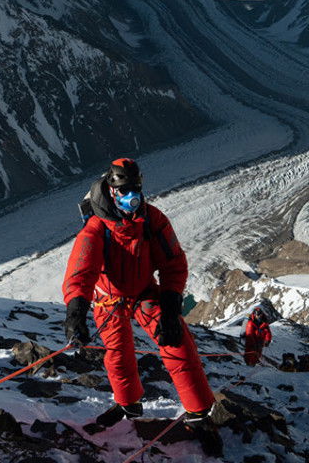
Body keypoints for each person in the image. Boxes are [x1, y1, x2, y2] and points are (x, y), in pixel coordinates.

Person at [63, 158, 215, 425]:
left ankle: (199, 412)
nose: (130, 196)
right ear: (112, 190)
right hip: (108, 299)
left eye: (135, 188)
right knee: (118, 356)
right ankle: (128, 406)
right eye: (124, 190)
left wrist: (170, 307)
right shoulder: (96, 228)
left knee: (177, 342)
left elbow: (173, 264)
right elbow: (81, 272)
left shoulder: (151, 219)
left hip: (144, 292)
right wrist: (76, 313)